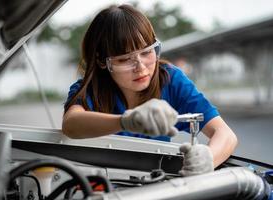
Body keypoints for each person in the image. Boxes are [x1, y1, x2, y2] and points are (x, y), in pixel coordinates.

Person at [62, 4, 238, 176]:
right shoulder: (90, 88)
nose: (140, 67)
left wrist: (208, 159)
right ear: (102, 61)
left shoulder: (170, 80)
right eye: (124, 59)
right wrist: (126, 121)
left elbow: (226, 134)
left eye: (147, 52)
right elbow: (71, 124)